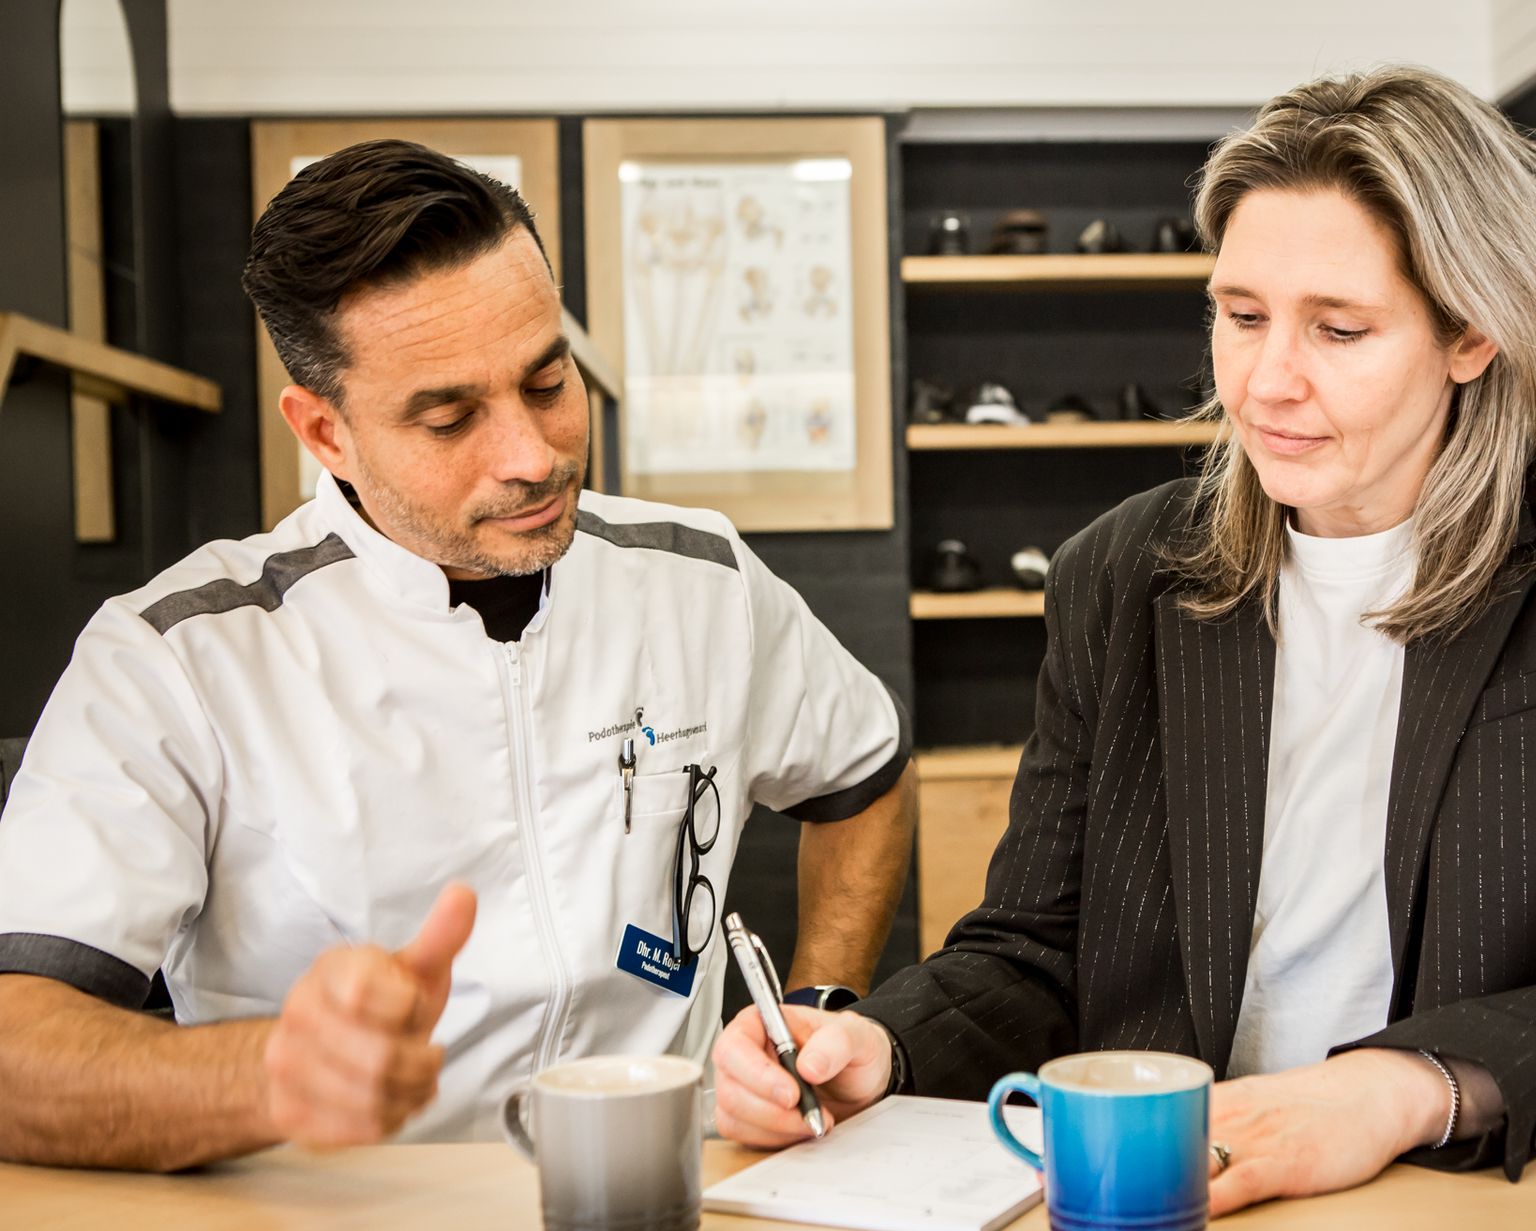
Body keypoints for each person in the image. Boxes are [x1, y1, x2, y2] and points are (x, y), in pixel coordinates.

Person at [712, 65, 1536, 1215]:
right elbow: (1033, 948)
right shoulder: (1120, 577)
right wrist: (879, 1045)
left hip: (1493, 1201)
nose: (1267, 383)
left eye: (1339, 328)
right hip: (1180, 1198)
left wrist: (1392, 1088)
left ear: (1474, 332)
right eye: (1240, 317)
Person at [0, 140, 916, 1170]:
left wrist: (816, 1007)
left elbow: (863, 777)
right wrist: (265, 1076)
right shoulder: (178, 657)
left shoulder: (700, 578)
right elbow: (14, 1045)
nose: (534, 455)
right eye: (449, 417)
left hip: (669, 1201)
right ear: (326, 432)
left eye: (547, 378)